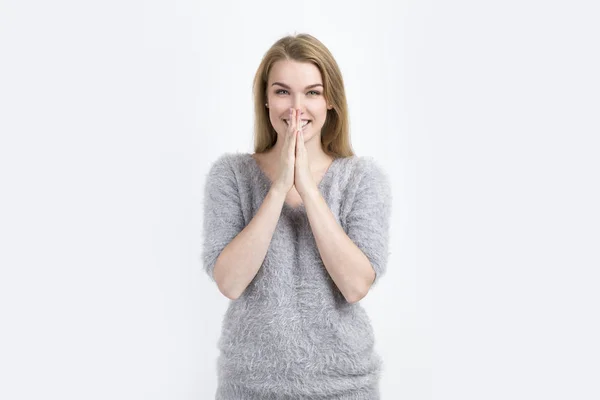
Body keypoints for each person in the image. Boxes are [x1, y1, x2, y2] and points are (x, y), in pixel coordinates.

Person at [202, 33, 392, 400]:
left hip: (344, 387)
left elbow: (355, 286)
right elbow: (230, 282)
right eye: (282, 91)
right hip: (250, 387)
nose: (296, 108)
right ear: (266, 99)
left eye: (312, 92)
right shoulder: (231, 175)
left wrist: (307, 188)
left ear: (331, 100)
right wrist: (278, 189)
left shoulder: (362, 179)